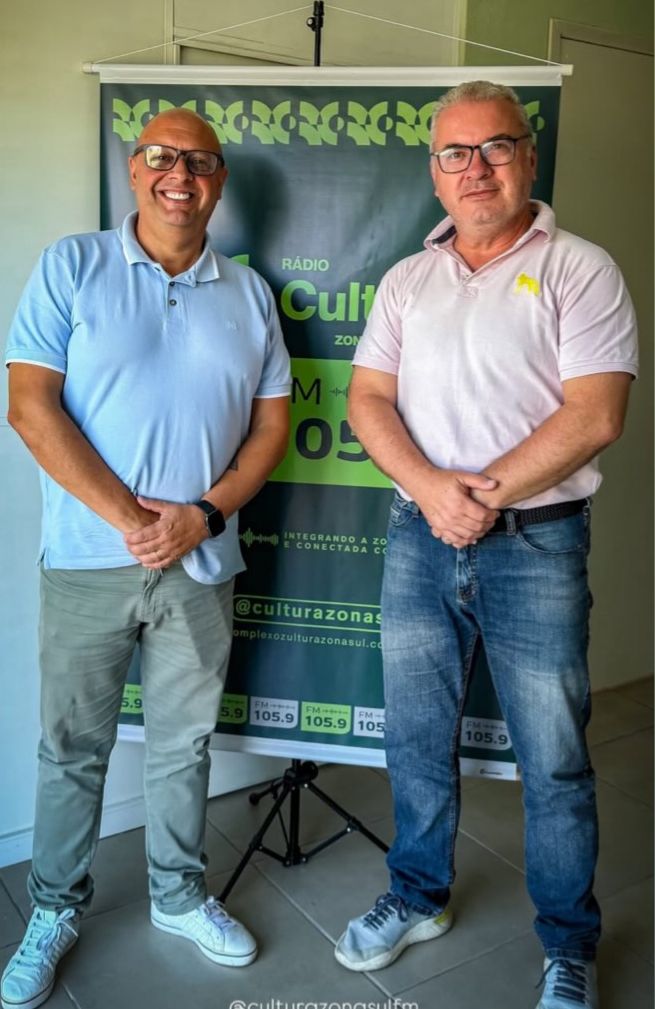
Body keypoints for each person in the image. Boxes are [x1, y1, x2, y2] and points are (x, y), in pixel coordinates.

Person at [335, 81, 637, 1009]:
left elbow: (595, 414)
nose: (476, 168)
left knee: (554, 759)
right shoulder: (406, 279)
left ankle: (568, 944)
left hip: (536, 548)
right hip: (417, 538)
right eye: (455, 153)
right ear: (434, 172)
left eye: (495, 147)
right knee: (415, 738)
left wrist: (480, 496)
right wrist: (434, 493)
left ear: (527, 158)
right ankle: (416, 895)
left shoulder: (581, 268)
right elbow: (366, 401)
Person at [2, 108, 291, 1009]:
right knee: (71, 748)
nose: (180, 175)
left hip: (201, 565)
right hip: (88, 559)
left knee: (183, 743)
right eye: (162, 157)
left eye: (199, 161)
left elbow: (271, 427)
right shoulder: (72, 264)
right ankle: (53, 908)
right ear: (134, 169)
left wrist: (199, 518)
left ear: (219, 180)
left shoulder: (249, 294)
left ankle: (178, 894)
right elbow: (29, 406)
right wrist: (136, 519)